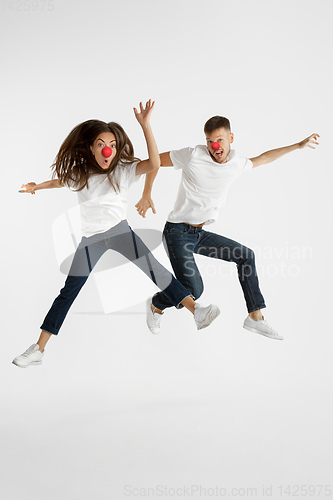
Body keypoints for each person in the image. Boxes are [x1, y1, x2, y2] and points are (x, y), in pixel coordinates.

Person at [12, 101, 220, 368]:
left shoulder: (123, 170)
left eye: (111, 143)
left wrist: (145, 126)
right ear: (91, 148)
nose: (106, 149)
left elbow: (155, 163)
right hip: (91, 240)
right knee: (69, 292)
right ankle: (38, 349)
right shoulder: (81, 174)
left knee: (154, 270)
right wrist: (36, 187)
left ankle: (197, 311)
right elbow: (59, 181)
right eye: (100, 143)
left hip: (121, 232)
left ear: (116, 148)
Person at [136, 115, 320, 340]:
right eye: (210, 141)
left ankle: (255, 317)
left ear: (230, 138)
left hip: (198, 233)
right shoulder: (193, 155)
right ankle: (156, 304)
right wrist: (146, 194)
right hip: (177, 232)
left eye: (220, 140)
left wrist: (299, 145)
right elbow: (154, 161)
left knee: (245, 256)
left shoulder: (237, 163)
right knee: (194, 290)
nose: (215, 146)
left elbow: (265, 157)